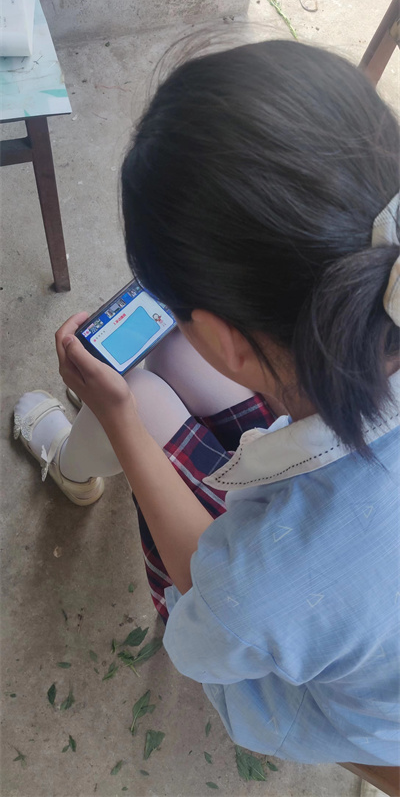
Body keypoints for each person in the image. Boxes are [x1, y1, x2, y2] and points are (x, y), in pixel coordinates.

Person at [14, 40, 399, 765]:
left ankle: (75, 466)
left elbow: (207, 611)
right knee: (168, 356)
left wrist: (120, 420)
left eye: (182, 307)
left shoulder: (267, 583)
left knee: (142, 390)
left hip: (276, 656)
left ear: (230, 340)